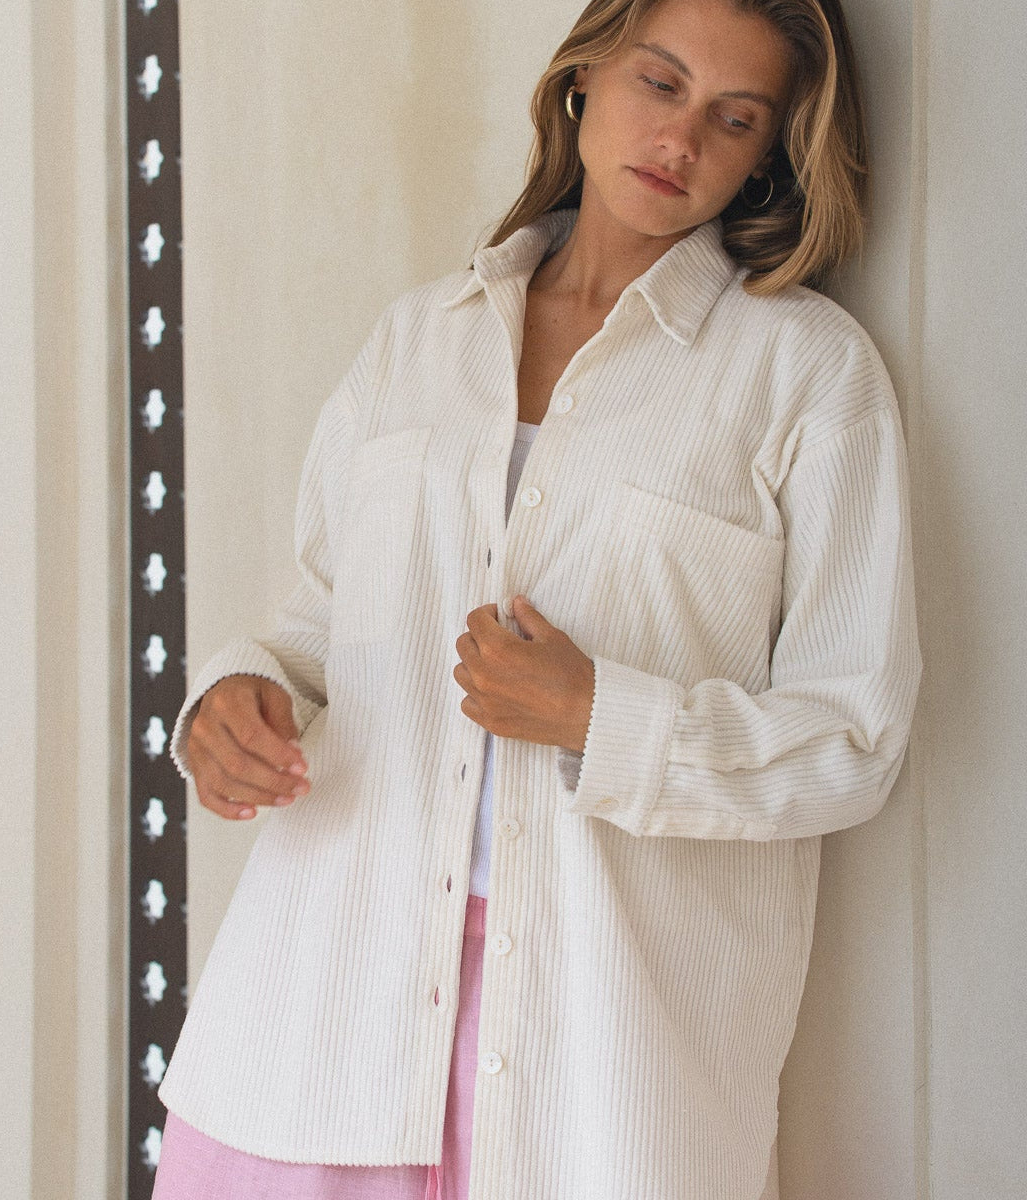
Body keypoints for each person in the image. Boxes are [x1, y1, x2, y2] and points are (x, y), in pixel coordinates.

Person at [151, 0, 921, 1195]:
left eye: (734, 117)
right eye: (659, 84)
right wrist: (231, 698)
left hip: (599, 1069)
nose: (681, 139)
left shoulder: (807, 374)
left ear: (770, 150)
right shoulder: (417, 341)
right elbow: (313, 622)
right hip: (321, 1026)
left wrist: (598, 717)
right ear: (583, 78)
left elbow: (855, 740)